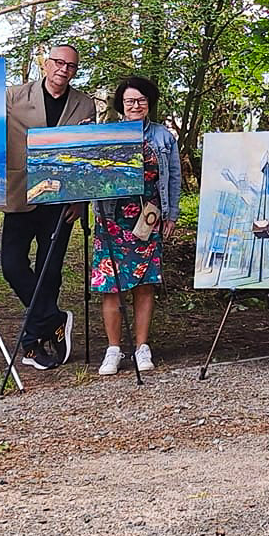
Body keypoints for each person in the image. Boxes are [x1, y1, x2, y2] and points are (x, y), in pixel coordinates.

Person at [2, 44, 98, 370]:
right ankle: (54, 318)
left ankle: (31, 346)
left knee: (50, 271)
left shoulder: (85, 104)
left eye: (71, 66)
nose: (63, 69)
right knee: (12, 265)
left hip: (61, 200)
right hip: (19, 194)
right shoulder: (12, 97)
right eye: (58, 62)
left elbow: (86, 155)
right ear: (45, 64)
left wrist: (82, 199)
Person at [92, 77, 181, 376]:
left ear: (149, 102)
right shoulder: (106, 135)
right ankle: (114, 349)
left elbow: (173, 177)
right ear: (121, 104)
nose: (135, 105)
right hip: (111, 219)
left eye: (141, 100)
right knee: (110, 285)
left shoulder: (162, 137)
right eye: (130, 101)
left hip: (148, 217)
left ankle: (142, 347)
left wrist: (171, 215)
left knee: (145, 284)